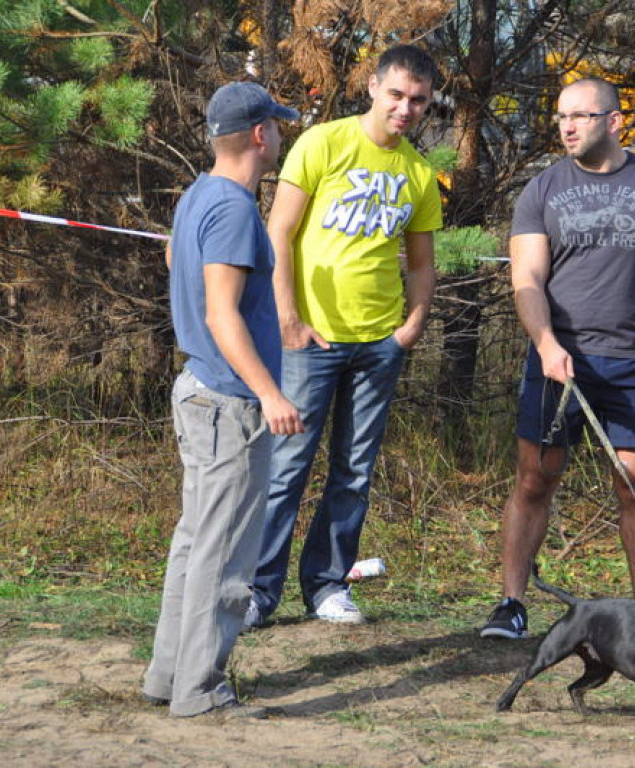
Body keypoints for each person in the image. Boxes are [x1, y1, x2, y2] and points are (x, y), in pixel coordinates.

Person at [480, 77, 635, 639]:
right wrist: (546, 343)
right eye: (560, 117)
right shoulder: (542, 190)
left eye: (580, 116)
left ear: (615, 121)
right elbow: (526, 276)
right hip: (559, 360)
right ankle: (511, 604)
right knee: (535, 479)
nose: (568, 127)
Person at [246, 45, 443, 627]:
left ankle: (328, 584)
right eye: (397, 95)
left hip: (378, 344)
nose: (405, 109)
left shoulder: (418, 172)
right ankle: (258, 590)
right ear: (374, 89)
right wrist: (288, 318)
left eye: (419, 101)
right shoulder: (323, 143)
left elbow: (422, 262)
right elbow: (277, 233)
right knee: (286, 467)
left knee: (354, 472)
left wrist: (413, 324)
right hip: (310, 341)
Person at [142, 81, 305, 716]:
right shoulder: (235, 208)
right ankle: (201, 690)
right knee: (226, 554)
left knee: (195, 543)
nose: (283, 135)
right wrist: (269, 393)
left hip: (201, 392)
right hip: (230, 403)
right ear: (260, 135)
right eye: (279, 126)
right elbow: (221, 315)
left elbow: (177, 265)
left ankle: (168, 677)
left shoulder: (200, 196)